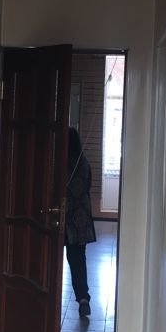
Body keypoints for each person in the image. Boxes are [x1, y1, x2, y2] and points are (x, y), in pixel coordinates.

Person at [65, 127, 96, 317]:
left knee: (52, 257)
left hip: (64, 216)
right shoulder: (84, 163)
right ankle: (83, 297)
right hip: (81, 219)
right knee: (78, 259)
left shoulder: (60, 163)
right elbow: (88, 186)